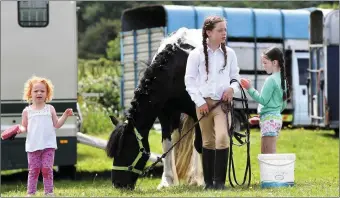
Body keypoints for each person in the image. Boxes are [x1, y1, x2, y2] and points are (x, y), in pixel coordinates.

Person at [184, 16, 241, 190]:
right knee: (207, 141)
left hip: (222, 105)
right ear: (209, 32)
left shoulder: (230, 54)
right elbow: (189, 81)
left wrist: (232, 89)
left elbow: (235, 78)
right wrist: (200, 102)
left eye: (225, 29)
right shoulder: (196, 54)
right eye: (220, 30)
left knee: (223, 138)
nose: (224, 33)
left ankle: (220, 183)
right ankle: (209, 184)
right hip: (203, 105)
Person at [17, 76, 73, 197]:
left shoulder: (50, 109)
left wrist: (65, 115)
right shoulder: (27, 111)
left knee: (47, 169)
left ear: (47, 94)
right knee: (34, 171)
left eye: (42, 91)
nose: (39, 93)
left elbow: (57, 124)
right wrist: (19, 130)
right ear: (30, 93)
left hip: (48, 145)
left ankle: (49, 192)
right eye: (36, 91)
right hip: (33, 146)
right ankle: (31, 193)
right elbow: (24, 127)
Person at [240, 46, 289, 154]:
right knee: (268, 155)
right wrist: (265, 115)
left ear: (275, 62)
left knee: (267, 156)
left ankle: (274, 172)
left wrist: (249, 88)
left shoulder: (271, 80)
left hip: (269, 121)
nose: (263, 66)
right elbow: (283, 104)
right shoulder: (282, 80)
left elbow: (263, 100)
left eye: (265, 63)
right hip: (276, 120)